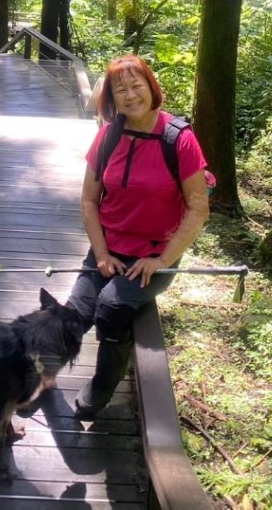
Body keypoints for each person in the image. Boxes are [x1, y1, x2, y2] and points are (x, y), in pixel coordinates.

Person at [66, 54, 210, 418]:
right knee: (74, 314)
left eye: (136, 85)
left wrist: (162, 261)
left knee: (112, 308)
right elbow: (88, 200)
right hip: (108, 247)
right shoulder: (108, 135)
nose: (130, 95)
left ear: (151, 87)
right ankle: (39, 375)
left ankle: (100, 389)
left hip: (154, 255)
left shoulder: (179, 139)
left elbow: (198, 207)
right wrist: (101, 254)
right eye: (120, 90)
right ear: (111, 100)